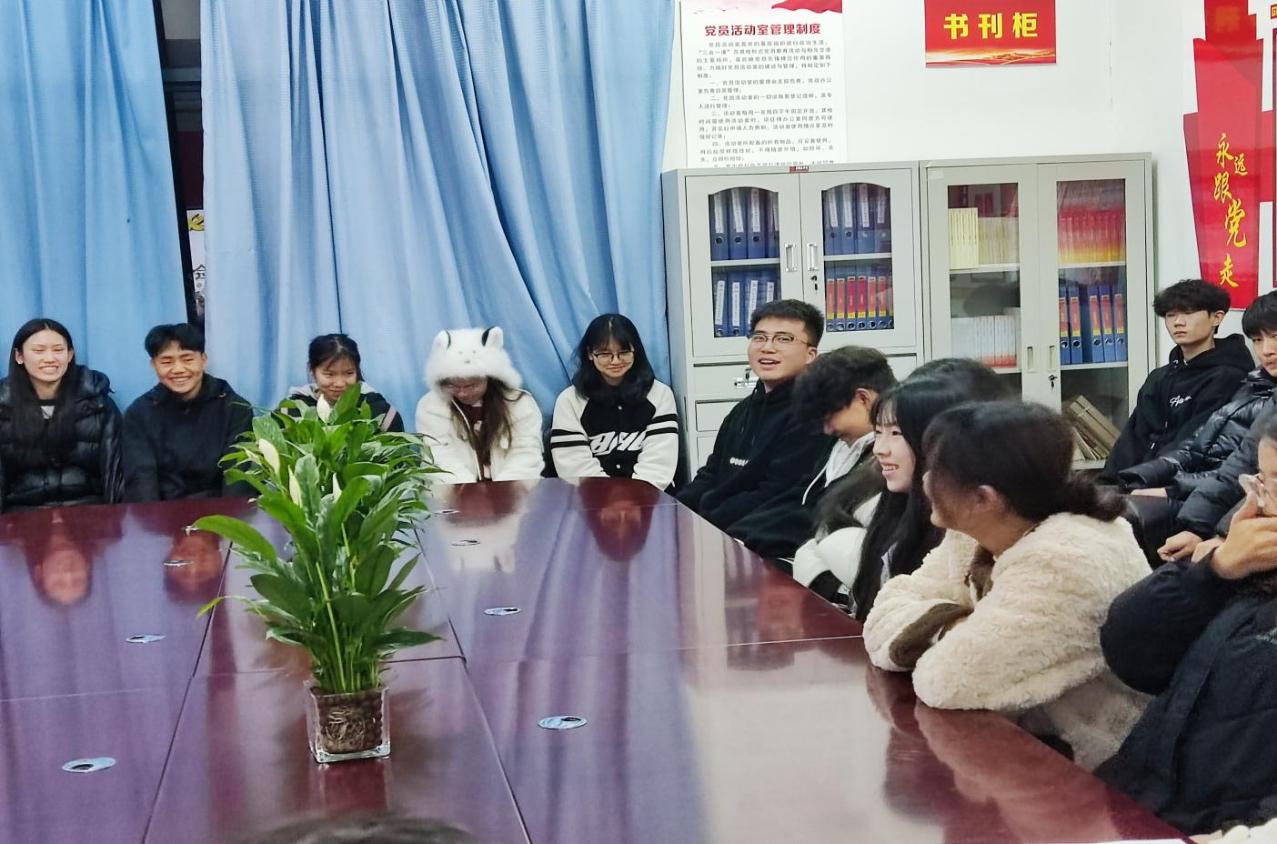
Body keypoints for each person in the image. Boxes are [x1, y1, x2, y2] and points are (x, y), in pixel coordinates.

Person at [863, 401, 1150, 770]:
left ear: (984, 497)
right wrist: (956, 625)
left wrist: (935, 627)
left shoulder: (1064, 560)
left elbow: (947, 681)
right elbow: (884, 610)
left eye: (938, 471)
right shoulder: (981, 529)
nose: (926, 481)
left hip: (1089, 771)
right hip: (1014, 744)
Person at [1096, 411, 1277, 834]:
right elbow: (1132, 656)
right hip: (1146, 803)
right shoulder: (1252, 566)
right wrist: (1214, 572)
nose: (1262, 505)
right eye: (1263, 483)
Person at [845, 365, 1008, 619]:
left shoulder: (970, 532)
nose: (879, 449)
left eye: (896, 433)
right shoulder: (895, 509)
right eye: (878, 432)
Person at [1125, 291, 1277, 562]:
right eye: (1257, 340)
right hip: (1209, 498)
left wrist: (1215, 533)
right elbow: (1199, 446)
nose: (1266, 350)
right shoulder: (1254, 384)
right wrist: (1135, 478)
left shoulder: (1229, 377)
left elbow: (1250, 475)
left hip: (1228, 508)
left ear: (1216, 318)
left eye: (1275, 336)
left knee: (1130, 518)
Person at [677, 299, 833, 538]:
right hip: (719, 528)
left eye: (783, 339)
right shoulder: (741, 411)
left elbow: (775, 496)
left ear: (810, 354)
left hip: (763, 540)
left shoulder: (812, 414)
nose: (767, 347)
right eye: (759, 337)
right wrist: (672, 509)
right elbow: (711, 474)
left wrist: (704, 522)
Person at [768, 346, 897, 597]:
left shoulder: (890, 465)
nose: (827, 429)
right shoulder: (841, 446)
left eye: (830, 416)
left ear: (863, 398)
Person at [1101, 279, 1250, 481]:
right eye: (1170, 315)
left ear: (1217, 317)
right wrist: (1108, 483)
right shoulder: (1160, 377)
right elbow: (1133, 437)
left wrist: (1141, 481)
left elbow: (1194, 444)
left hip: (1183, 483)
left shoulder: (1228, 377)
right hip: (1141, 478)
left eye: (1188, 313)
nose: (1178, 322)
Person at [0, 318, 122, 512]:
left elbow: (115, 473)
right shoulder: (3, 409)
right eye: (39, 351)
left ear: (70, 355)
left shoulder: (98, 405)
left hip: (89, 513)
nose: (50, 358)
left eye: (58, 350)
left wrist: (115, 520)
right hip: (22, 515)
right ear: (19, 356)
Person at [122, 323, 254, 502]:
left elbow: (237, 478)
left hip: (220, 512)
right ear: (153, 365)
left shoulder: (235, 408)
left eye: (187, 359)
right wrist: (154, 520)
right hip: (163, 513)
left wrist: (227, 518)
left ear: (203, 360)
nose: (178, 369)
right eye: (166, 362)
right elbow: (141, 481)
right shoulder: (139, 413)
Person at [549, 314, 679, 489]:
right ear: (590, 354)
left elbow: (659, 463)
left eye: (624, 352)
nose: (616, 361)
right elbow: (573, 466)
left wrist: (636, 497)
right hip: (591, 498)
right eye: (605, 354)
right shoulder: (570, 400)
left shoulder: (660, 394)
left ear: (635, 351)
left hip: (650, 496)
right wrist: (608, 498)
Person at [416, 326, 543, 482]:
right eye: (453, 385)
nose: (463, 393)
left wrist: (503, 491)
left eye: (472, 385)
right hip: (456, 490)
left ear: (491, 378)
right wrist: (468, 492)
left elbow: (526, 454)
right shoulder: (430, 406)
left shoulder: (520, 403)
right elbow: (439, 457)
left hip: (512, 489)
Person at [284, 333, 404, 432]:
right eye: (329, 374)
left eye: (349, 373)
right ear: (312, 370)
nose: (339, 384)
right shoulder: (291, 411)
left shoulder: (380, 412)